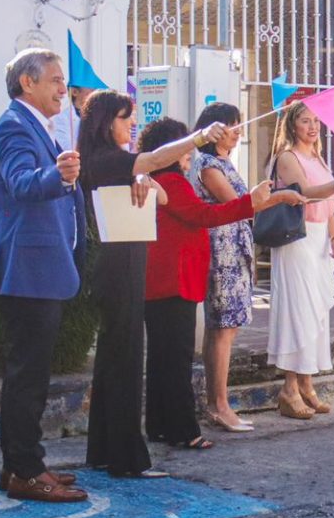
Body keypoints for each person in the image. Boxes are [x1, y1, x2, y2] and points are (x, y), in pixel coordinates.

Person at [75, 92, 228, 478]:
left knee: (114, 362)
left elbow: (147, 174)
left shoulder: (107, 160)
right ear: (106, 122)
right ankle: (126, 459)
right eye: (125, 117)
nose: (132, 125)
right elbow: (156, 159)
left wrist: (142, 175)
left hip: (119, 264)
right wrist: (198, 137)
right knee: (125, 364)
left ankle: (105, 452)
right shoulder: (106, 158)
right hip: (120, 265)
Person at [139, 116, 304, 448]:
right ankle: (183, 431)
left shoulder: (166, 181)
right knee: (176, 359)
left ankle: (160, 425)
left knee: (162, 358)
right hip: (175, 279)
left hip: (166, 279)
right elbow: (207, 215)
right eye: (183, 146)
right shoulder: (172, 182)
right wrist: (252, 202)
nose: (189, 153)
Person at [0, 48, 89, 503]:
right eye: (56, 80)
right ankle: (25, 471)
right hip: (27, 269)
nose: (64, 88)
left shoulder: (34, 126)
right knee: (28, 375)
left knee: (32, 373)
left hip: (40, 268)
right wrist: (58, 175)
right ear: (28, 82)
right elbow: (22, 183)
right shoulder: (13, 126)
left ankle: (21, 464)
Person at [266, 101, 334, 420]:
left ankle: (307, 384)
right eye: (305, 121)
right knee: (299, 310)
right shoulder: (287, 157)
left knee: (316, 313)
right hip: (297, 237)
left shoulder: (318, 157)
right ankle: (289, 389)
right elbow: (307, 193)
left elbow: (328, 203)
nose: (312, 127)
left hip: (320, 236)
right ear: (293, 125)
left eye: (315, 121)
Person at [191, 102, 260, 432]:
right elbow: (235, 204)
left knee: (225, 328)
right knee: (222, 328)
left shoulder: (223, 162)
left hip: (235, 250)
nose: (238, 132)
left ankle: (218, 402)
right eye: (232, 125)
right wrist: (263, 199)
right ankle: (218, 404)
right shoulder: (207, 165)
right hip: (222, 254)